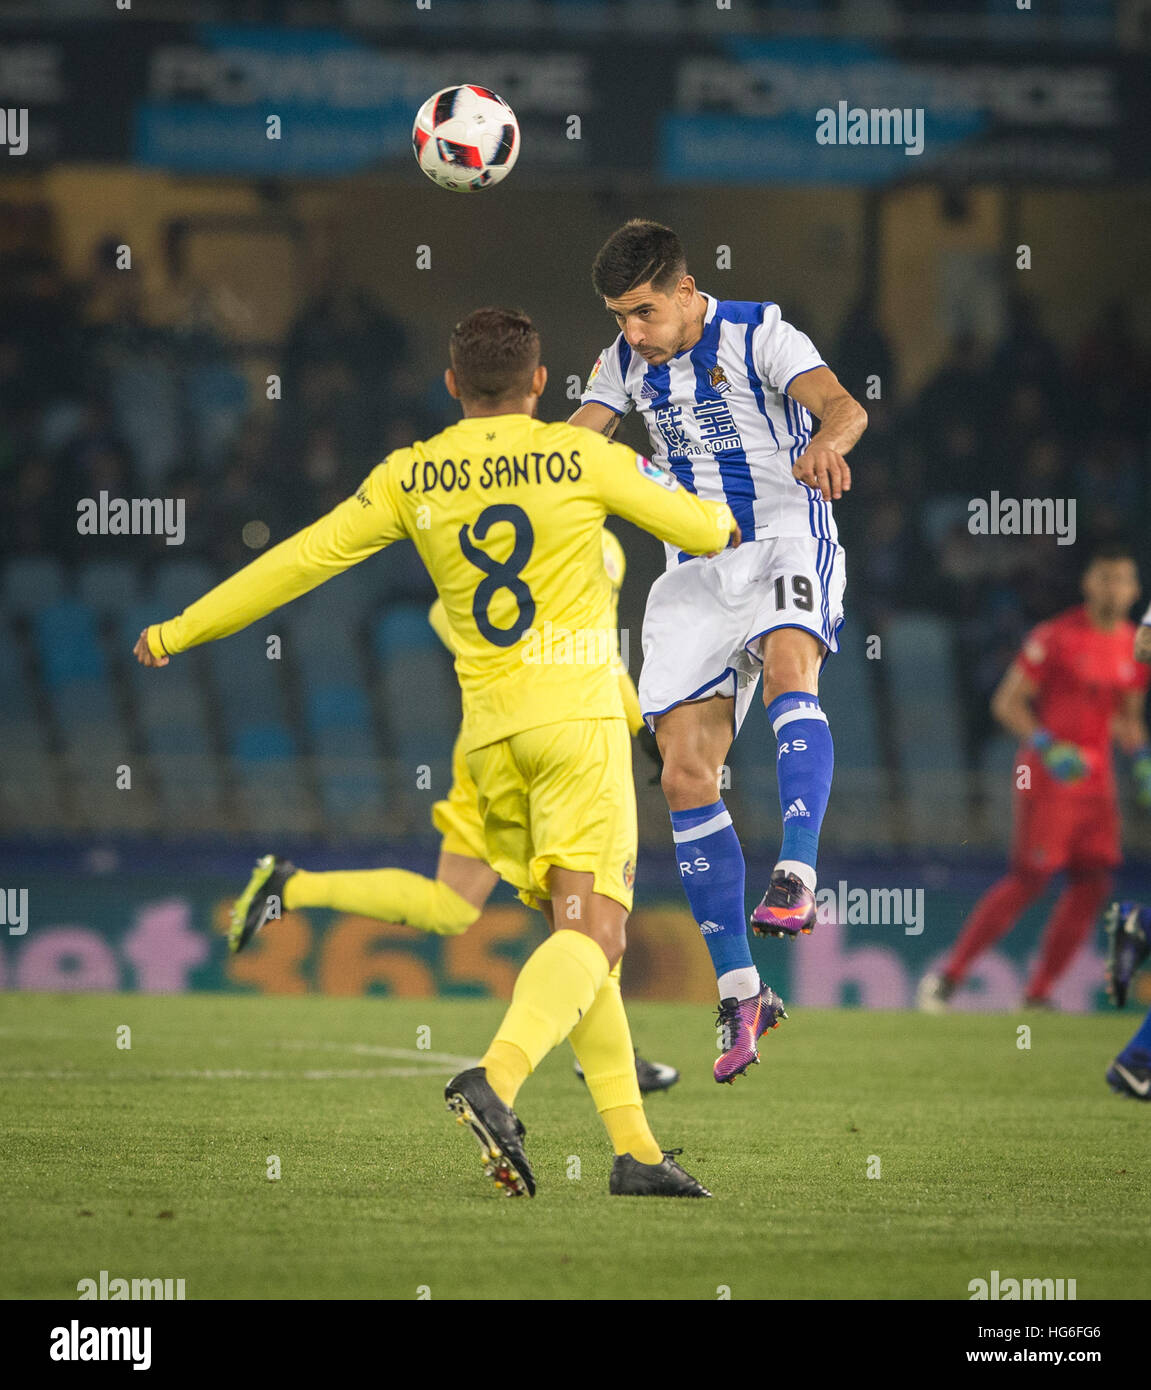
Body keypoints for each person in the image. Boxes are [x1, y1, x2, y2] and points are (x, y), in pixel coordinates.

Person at [135, 306, 739, 1198]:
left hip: (490, 738)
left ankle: (636, 1153)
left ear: (452, 385)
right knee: (595, 931)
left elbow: (298, 561)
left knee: (577, 937)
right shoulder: (580, 456)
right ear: (541, 384)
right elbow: (704, 531)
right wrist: (732, 501)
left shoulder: (410, 473)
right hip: (576, 724)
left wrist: (179, 629)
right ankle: (495, 1078)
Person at [569, 219, 867, 1081]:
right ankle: (742, 992)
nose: (632, 331)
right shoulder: (621, 362)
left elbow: (844, 407)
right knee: (682, 774)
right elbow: (577, 446)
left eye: (643, 312)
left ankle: (797, 871)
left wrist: (825, 444)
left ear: (686, 290)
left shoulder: (758, 332)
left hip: (784, 538)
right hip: (696, 570)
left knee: (788, 671)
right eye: (619, 316)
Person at [229, 528, 678, 1095]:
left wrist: (636, 727)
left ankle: (289, 886)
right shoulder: (572, 533)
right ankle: (601, 1060)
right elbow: (572, 647)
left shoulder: (548, 536)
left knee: (454, 904)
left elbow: (575, 648)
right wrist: (635, 725)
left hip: (498, 736)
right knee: (587, 908)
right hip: (546, 739)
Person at [919, 544, 1151, 1012]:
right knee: (1032, 877)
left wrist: (1143, 762)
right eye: (1105, 578)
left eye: (1122, 580)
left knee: (1094, 881)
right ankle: (949, 976)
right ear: (1088, 584)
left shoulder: (1135, 645)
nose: (1113, 588)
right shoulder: (1056, 636)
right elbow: (1007, 702)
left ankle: (1039, 993)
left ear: (1135, 590)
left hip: (1097, 783)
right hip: (1047, 776)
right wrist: (1049, 746)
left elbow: (1127, 718)